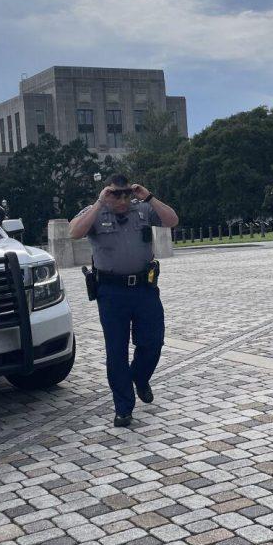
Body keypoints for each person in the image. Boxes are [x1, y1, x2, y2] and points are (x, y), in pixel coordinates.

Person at [70, 174, 180, 427]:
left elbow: (172, 220)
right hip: (111, 292)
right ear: (107, 192)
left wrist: (149, 196)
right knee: (116, 350)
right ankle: (123, 407)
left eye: (125, 193)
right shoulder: (95, 212)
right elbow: (74, 232)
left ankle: (140, 378)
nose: (121, 199)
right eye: (115, 194)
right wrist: (100, 202)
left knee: (153, 342)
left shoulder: (143, 209)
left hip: (144, 288)